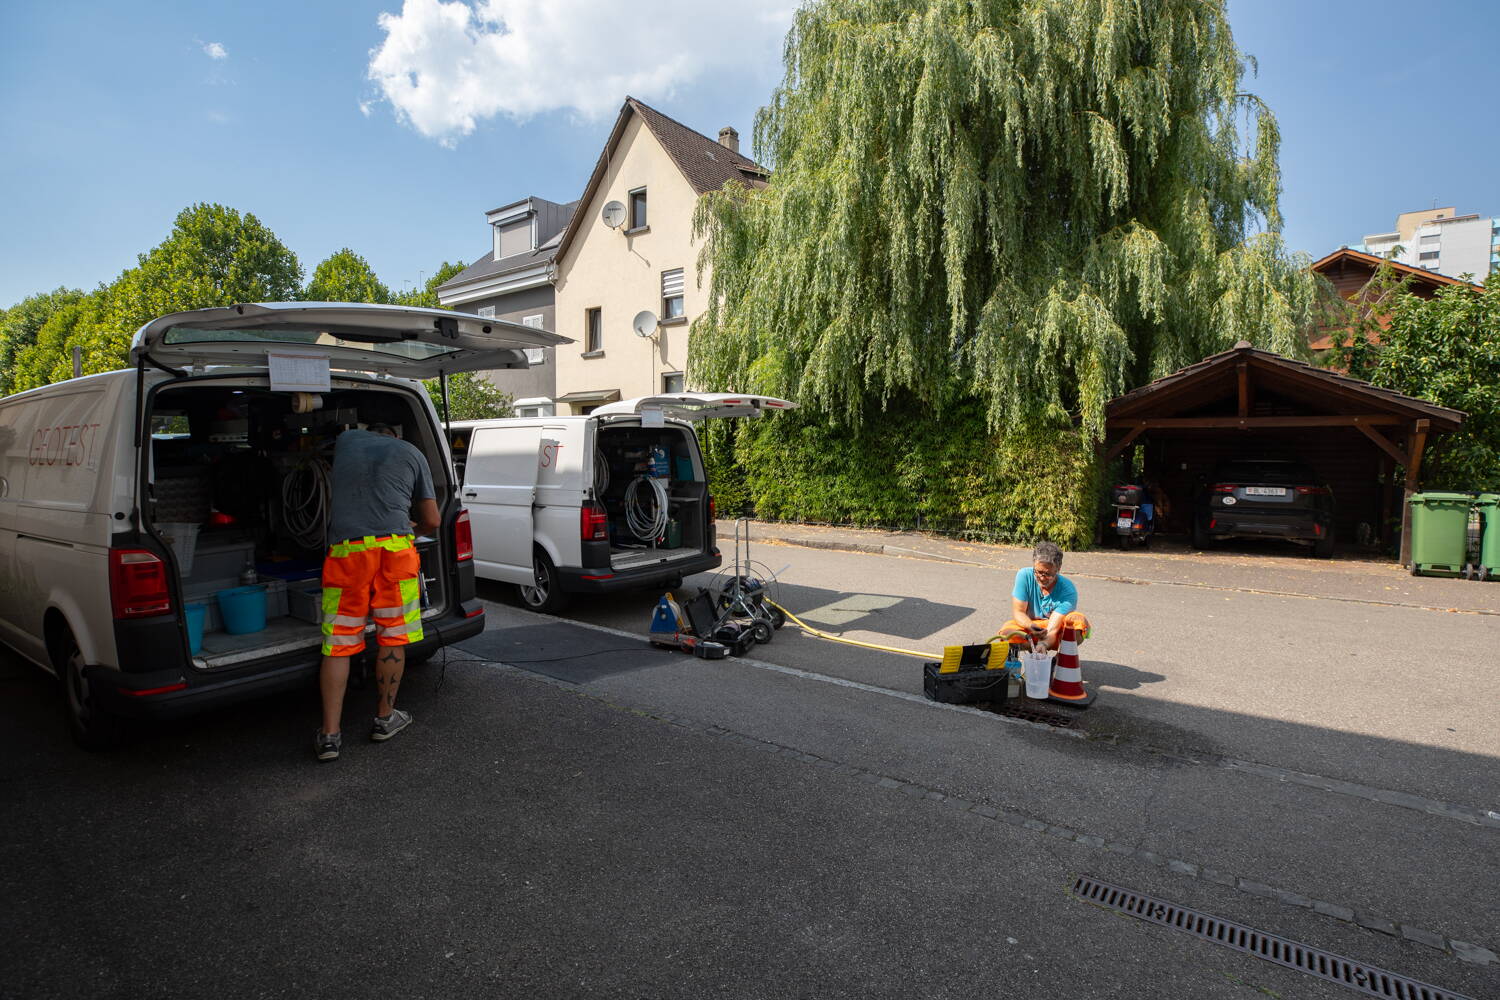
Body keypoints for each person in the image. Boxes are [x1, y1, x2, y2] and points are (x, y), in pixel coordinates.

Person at [314, 422, 440, 762]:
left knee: (338, 642)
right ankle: (385, 719)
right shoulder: (411, 452)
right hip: (395, 551)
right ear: (394, 436)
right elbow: (432, 520)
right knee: (392, 637)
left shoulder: (346, 441)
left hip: (347, 553)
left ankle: (329, 736)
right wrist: (412, 527)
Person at [1000, 540, 1090, 651]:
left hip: (1055, 631)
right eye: (1038, 572)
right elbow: (1018, 612)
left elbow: (1053, 629)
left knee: (1078, 620)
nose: (1042, 578)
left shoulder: (1068, 590)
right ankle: (1035, 650)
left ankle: (1061, 657)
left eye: (1048, 574)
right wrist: (1030, 626)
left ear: (1058, 569)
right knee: (1007, 632)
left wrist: (1044, 644)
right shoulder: (1024, 575)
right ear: (1034, 564)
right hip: (1030, 627)